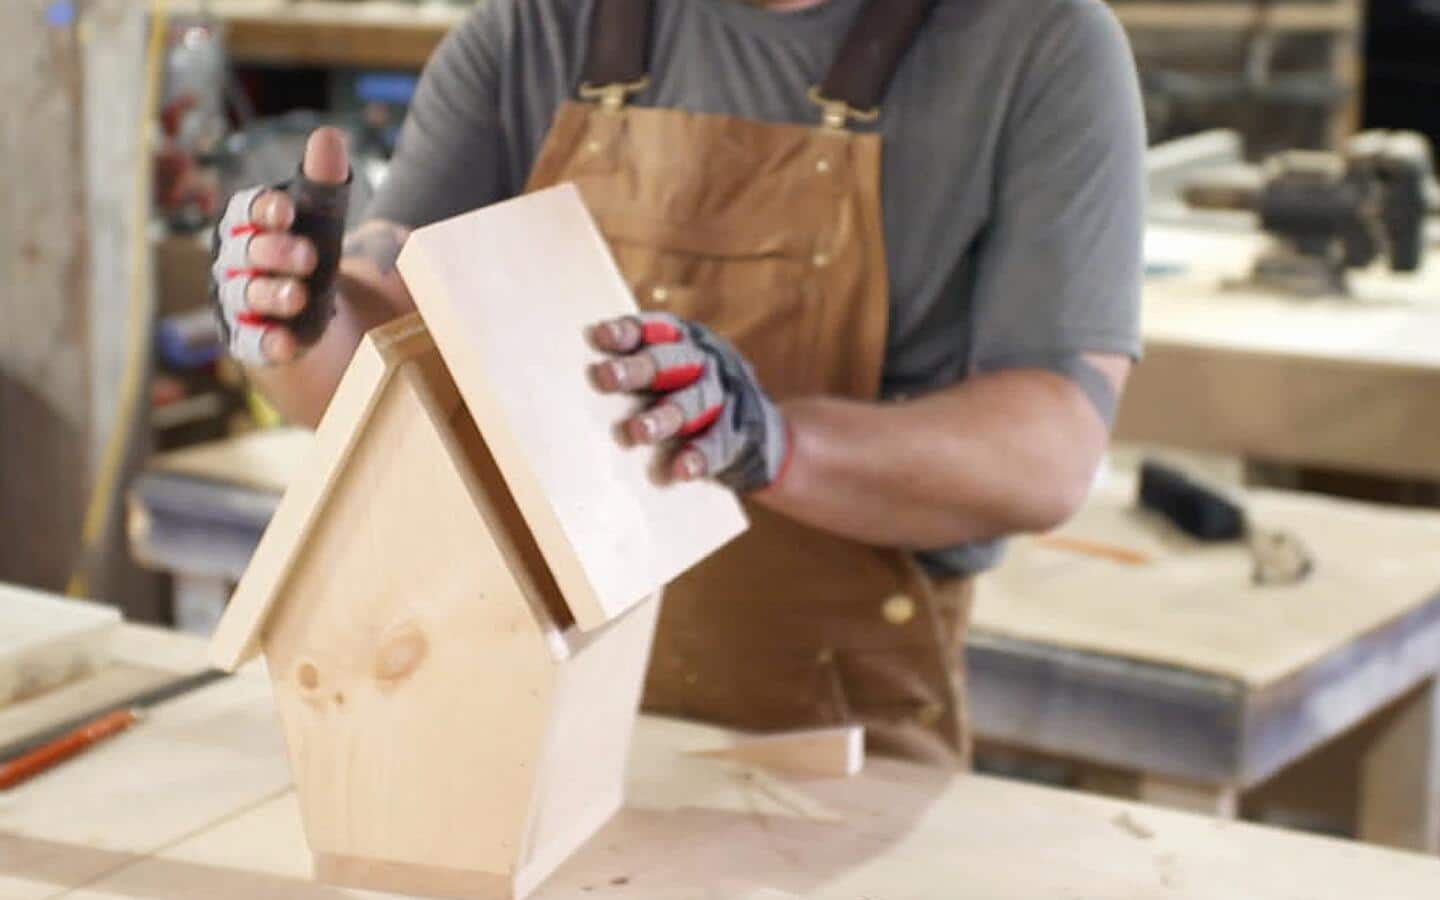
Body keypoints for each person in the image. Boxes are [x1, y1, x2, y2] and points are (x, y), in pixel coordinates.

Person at [210, 0, 1145, 766]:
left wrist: (773, 443)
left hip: (829, 755)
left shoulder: (1038, 44)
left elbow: (1051, 448)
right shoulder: (535, 28)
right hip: (518, 729)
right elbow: (367, 373)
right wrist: (298, 312)